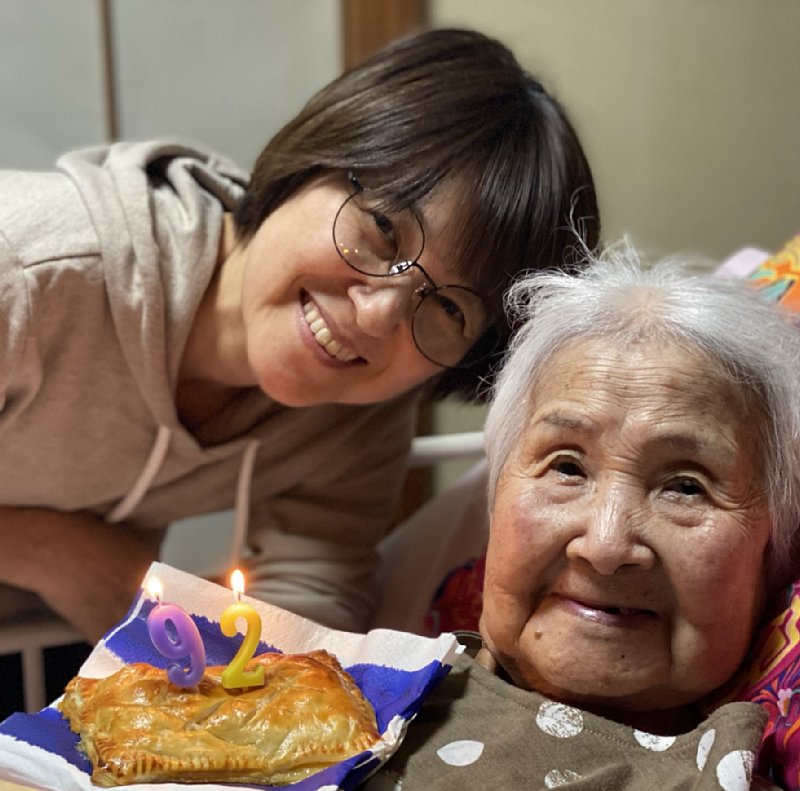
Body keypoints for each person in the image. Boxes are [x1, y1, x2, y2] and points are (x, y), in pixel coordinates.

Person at [0, 28, 599, 643]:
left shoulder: (360, 409)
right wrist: (53, 550)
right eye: (384, 229)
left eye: (449, 309)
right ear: (313, 161)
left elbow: (313, 596)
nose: (376, 316)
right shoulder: (29, 269)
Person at [365, 243, 800, 790]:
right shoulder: (348, 712)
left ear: (777, 553)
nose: (605, 543)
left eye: (686, 487)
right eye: (567, 467)